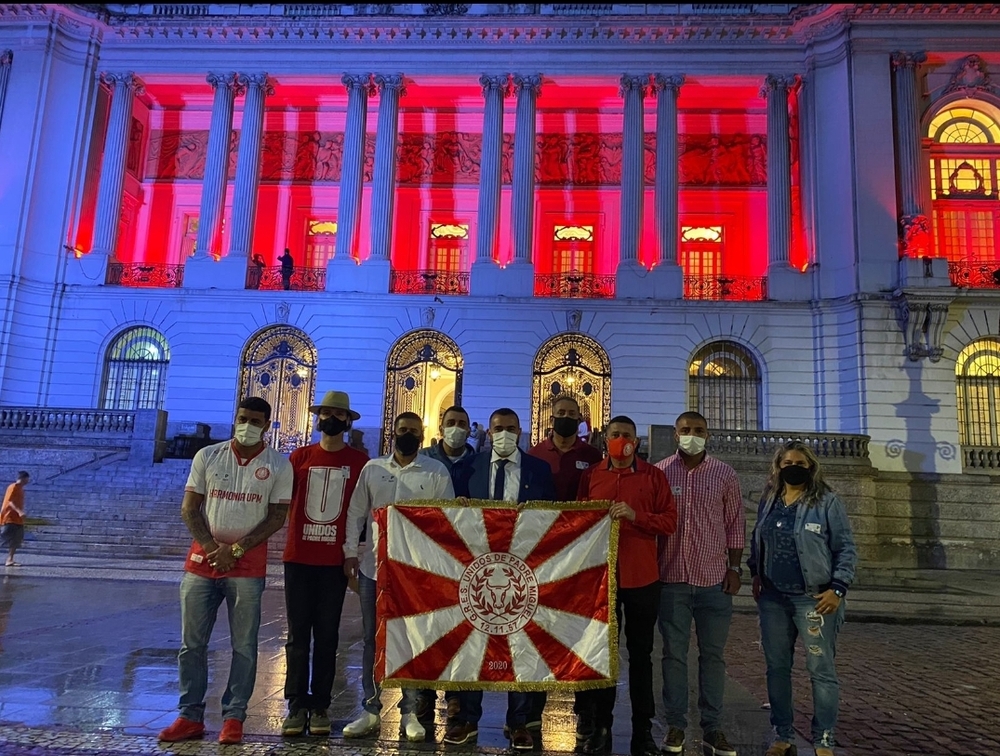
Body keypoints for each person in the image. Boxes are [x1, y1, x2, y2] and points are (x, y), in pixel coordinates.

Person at [158, 397, 294, 745]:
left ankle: (234, 716)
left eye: (255, 420)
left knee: (245, 646)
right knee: (192, 645)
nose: (247, 425)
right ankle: (189, 715)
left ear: (266, 425)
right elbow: (190, 508)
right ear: (235, 418)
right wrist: (210, 548)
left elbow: (277, 516)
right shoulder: (208, 456)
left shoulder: (278, 465)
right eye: (242, 418)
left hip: (246, 568)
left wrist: (234, 550)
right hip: (201, 565)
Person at [342, 412, 455, 742]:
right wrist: (351, 551)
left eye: (413, 431)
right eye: (402, 430)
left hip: (414, 573)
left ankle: (410, 712)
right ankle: (370, 708)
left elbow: (444, 521)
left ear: (422, 436)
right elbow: (355, 513)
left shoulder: (435, 471)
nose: (407, 435)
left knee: (412, 641)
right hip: (373, 570)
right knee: (371, 640)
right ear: (393, 432)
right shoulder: (373, 469)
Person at [448, 408, 556, 750]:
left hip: (524, 575)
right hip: (477, 572)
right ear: (488, 432)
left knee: (523, 645)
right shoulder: (469, 467)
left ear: (520, 431)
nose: (504, 434)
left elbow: (552, 520)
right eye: (498, 428)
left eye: (511, 428)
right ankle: (466, 717)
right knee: (472, 644)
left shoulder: (540, 470)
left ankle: (520, 722)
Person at [575, 416, 677, 756]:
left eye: (627, 435)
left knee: (641, 657)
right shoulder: (591, 476)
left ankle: (642, 730)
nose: (622, 440)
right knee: (601, 656)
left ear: (636, 440)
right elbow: (576, 519)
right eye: (616, 435)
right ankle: (600, 724)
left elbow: (669, 521)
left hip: (641, 577)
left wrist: (637, 517)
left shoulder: (653, 476)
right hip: (602, 580)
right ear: (606, 440)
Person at [748, 441, 858, 756]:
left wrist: (838, 588)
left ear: (810, 467)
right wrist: (755, 571)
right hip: (772, 598)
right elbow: (759, 537)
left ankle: (824, 739)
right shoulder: (769, 499)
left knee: (820, 669)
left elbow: (846, 547)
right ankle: (783, 735)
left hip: (814, 598)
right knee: (777, 667)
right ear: (778, 466)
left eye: (799, 461)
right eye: (786, 461)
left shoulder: (827, 501)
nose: (793, 466)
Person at [655, 411, 745, 756]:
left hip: (713, 582)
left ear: (708, 434)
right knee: (673, 656)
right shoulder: (661, 472)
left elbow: (735, 524)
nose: (692, 434)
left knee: (713, 657)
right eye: (685, 430)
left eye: (699, 430)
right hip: (672, 579)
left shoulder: (724, 474)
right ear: (676, 435)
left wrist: (734, 568)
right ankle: (675, 725)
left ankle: (713, 727)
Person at [280, 391, 369, 737]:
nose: (330, 418)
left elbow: (360, 511)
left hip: (334, 561)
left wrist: (352, 553)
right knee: (297, 635)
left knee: (328, 635)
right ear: (318, 419)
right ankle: (296, 704)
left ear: (347, 421)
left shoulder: (359, 462)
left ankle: (320, 705)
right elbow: (285, 502)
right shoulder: (299, 456)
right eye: (325, 413)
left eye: (337, 414)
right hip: (299, 558)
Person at [526, 395, 603, 741]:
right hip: (542, 557)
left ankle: (585, 713)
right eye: (562, 414)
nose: (566, 419)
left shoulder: (592, 457)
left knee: (583, 634)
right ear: (551, 417)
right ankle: (529, 714)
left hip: (581, 558)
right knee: (537, 633)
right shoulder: (535, 455)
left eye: (573, 415)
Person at [420, 405, 478, 728]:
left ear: (470, 430)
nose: (456, 428)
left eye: (462, 424)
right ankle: (424, 694)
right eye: (451, 423)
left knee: (460, 628)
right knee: (429, 628)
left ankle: (456, 695)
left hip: (464, 559)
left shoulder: (477, 464)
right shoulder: (425, 460)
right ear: (440, 427)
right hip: (428, 557)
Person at [1, 472, 30, 567]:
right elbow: (9, 502)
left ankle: (10, 559)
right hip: (9, 517)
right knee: (3, 538)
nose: (28, 481)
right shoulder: (13, 487)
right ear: (23, 478)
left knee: (16, 539)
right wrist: (19, 511)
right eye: (27, 479)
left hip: (17, 519)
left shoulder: (21, 490)